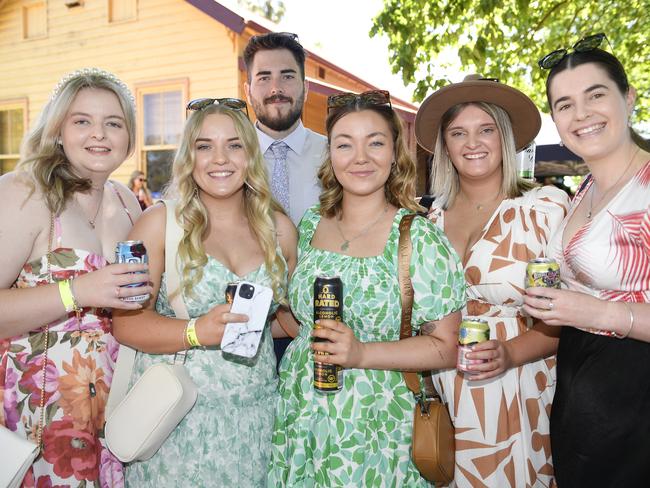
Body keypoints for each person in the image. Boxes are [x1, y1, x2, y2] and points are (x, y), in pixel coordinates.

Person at [267, 90, 466, 487]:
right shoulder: (308, 225)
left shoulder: (419, 238)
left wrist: (360, 353)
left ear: (395, 153)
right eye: (345, 144)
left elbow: (446, 346)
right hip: (301, 415)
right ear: (331, 155)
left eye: (375, 142)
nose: (360, 157)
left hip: (377, 427)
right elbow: (300, 324)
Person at [112, 97, 297, 486]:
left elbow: (282, 323)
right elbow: (127, 324)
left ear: (250, 155)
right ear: (188, 157)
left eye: (234, 145)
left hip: (256, 423)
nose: (220, 159)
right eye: (204, 146)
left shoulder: (278, 228)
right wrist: (195, 330)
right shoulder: (158, 224)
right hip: (178, 423)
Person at [414, 75, 570, 487]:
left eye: (486, 130)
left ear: (504, 137)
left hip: (521, 384)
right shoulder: (429, 220)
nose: (472, 143)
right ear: (444, 145)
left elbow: (565, 317)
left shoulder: (544, 208)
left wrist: (509, 353)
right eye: (458, 133)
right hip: (450, 387)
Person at [0, 68, 151, 487]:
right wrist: (77, 290)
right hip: (36, 419)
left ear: (128, 136)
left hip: (111, 417)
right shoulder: (24, 193)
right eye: (82, 120)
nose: (98, 134)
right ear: (58, 130)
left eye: (113, 123)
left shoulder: (125, 202)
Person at [524, 34, 650, 486]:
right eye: (564, 104)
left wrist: (594, 311)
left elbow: (600, 307)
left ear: (628, 97)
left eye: (595, 95)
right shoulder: (584, 191)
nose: (581, 115)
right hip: (584, 402)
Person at [243, 31, 327, 226]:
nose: (276, 88)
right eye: (264, 78)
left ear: (306, 88)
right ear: (247, 91)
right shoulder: (228, 161)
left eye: (287, 76)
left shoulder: (334, 156)